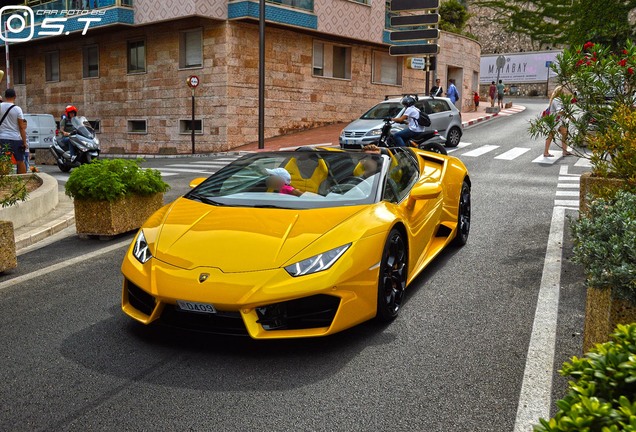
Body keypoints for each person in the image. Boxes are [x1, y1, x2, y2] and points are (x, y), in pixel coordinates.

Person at [0, 88, 27, 174]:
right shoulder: (18, 109)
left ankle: (4, 180)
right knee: (20, 161)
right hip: (16, 138)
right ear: (15, 96)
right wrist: (24, 142)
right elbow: (21, 127)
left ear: (5, 96)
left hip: (2, 138)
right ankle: (22, 180)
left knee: (4, 161)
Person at [543, 85, 573, 158]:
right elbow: (559, 111)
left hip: (559, 121)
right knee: (551, 136)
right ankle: (546, 152)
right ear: (560, 92)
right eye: (563, 91)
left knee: (565, 133)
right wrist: (569, 115)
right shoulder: (556, 100)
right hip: (555, 121)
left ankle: (564, 151)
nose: (565, 92)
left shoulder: (559, 100)